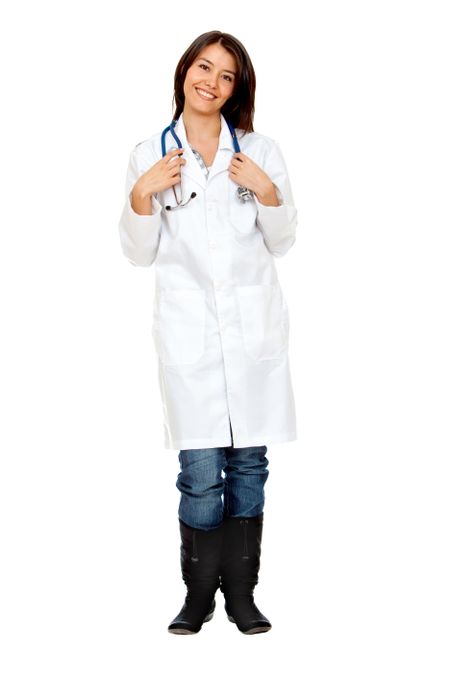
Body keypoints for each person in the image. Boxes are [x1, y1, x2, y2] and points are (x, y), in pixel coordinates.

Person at [118, 30, 298, 635]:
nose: (212, 83)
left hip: (252, 338)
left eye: (226, 76)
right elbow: (140, 254)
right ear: (184, 71)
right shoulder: (150, 153)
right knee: (199, 471)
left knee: (249, 464)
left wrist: (268, 192)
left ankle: (241, 596)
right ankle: (198, 597)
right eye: (204, 67)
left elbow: (283, 239)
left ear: (236, 88)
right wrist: (144, 194)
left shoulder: (259, 151)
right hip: (189, 336)